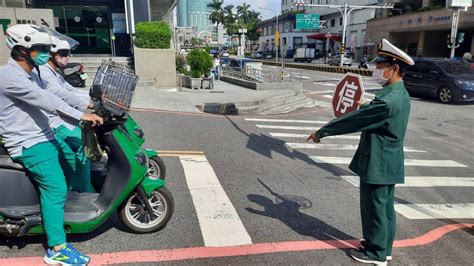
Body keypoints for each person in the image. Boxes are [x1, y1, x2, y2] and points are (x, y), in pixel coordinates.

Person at [0, 24, 103, 265]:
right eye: (40, 49)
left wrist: (90, 105)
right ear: (21, 50)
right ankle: (57, 249)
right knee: (56, 188)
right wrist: (81, 116)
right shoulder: (8, 76)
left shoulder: (33, 73)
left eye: (47, 48)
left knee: (69, 171)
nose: (46, 53)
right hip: (28, 143)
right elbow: (45, 100)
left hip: (43, 135)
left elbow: (58, 94)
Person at [307, 39, 414, 265]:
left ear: (394, 69)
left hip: (378, 161)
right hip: (390, 160)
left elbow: (353, 121)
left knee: (374, 208)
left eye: (380, 67)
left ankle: (375, 254)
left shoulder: (386, 102)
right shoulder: (399, 93)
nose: (376, 71)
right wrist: (367, 105)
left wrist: (322, 132)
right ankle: (384, 248)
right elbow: (380, 114)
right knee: (385, 208)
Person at [38, 35, 95, 193]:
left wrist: (94, 98)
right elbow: (59, 93)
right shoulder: (44, 72)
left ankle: (80, 187)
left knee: (84, 144)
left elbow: (70, 90)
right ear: (51, 54)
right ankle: (84, 192)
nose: (67, 57)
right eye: (63, 53)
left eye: (68, 53)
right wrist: (87, 104)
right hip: (55, 124)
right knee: (82, 149)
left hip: (62, 119)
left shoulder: (54, 72)